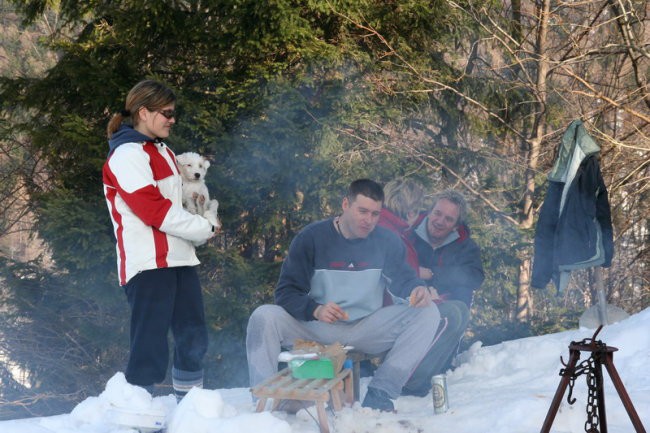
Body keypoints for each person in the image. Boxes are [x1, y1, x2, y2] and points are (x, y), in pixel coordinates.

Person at [246, 179, 440, 412]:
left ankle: (381, 393)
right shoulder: (312, 238)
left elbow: (403, 279)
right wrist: (315, 309)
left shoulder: (386, 241)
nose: (368, 220)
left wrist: (416, 289)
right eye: (362, 211)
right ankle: (263, 398)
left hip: (366, 327)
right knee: (263, 316)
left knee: (428, 312)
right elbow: (286, 293)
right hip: (317, 327)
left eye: (375, 214)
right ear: (346, 204)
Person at [103, 80, 216, 400]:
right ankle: (137, 414)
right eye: (166, 113)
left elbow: (179, 204)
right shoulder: (126, 155)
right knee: (149, 346)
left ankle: (190, 409)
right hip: (149, 264)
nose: (172, 119)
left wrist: (205, 216)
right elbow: (153, 211)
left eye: (173, 113)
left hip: (181, 258)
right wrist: (201, 229)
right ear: (143, 112)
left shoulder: (164, 151)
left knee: (193, 339)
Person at [401, 189, 484, 396]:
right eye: (437, 213)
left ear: (456, 225)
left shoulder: (465, 245)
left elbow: (475, 276)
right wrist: (418, 280)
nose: (440, 221)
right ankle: (408, 374)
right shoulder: (408, 232)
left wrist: (433, 275)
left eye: (448, 219)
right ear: (429, 211)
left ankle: (432, 368)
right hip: (405, 300)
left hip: (444, 303)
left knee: (460, 300)